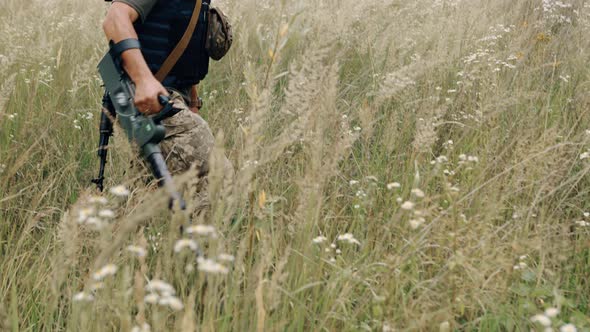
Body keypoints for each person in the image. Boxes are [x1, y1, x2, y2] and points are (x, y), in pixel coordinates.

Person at [103, 0, 231, 210]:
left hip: (170, 97)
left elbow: (183, 43)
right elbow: (115, 19)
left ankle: (111, 238)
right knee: (220, 181)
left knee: (144, 202)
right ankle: (205, 241)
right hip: (154, 100)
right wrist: (144, 80)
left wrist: (192, 100)